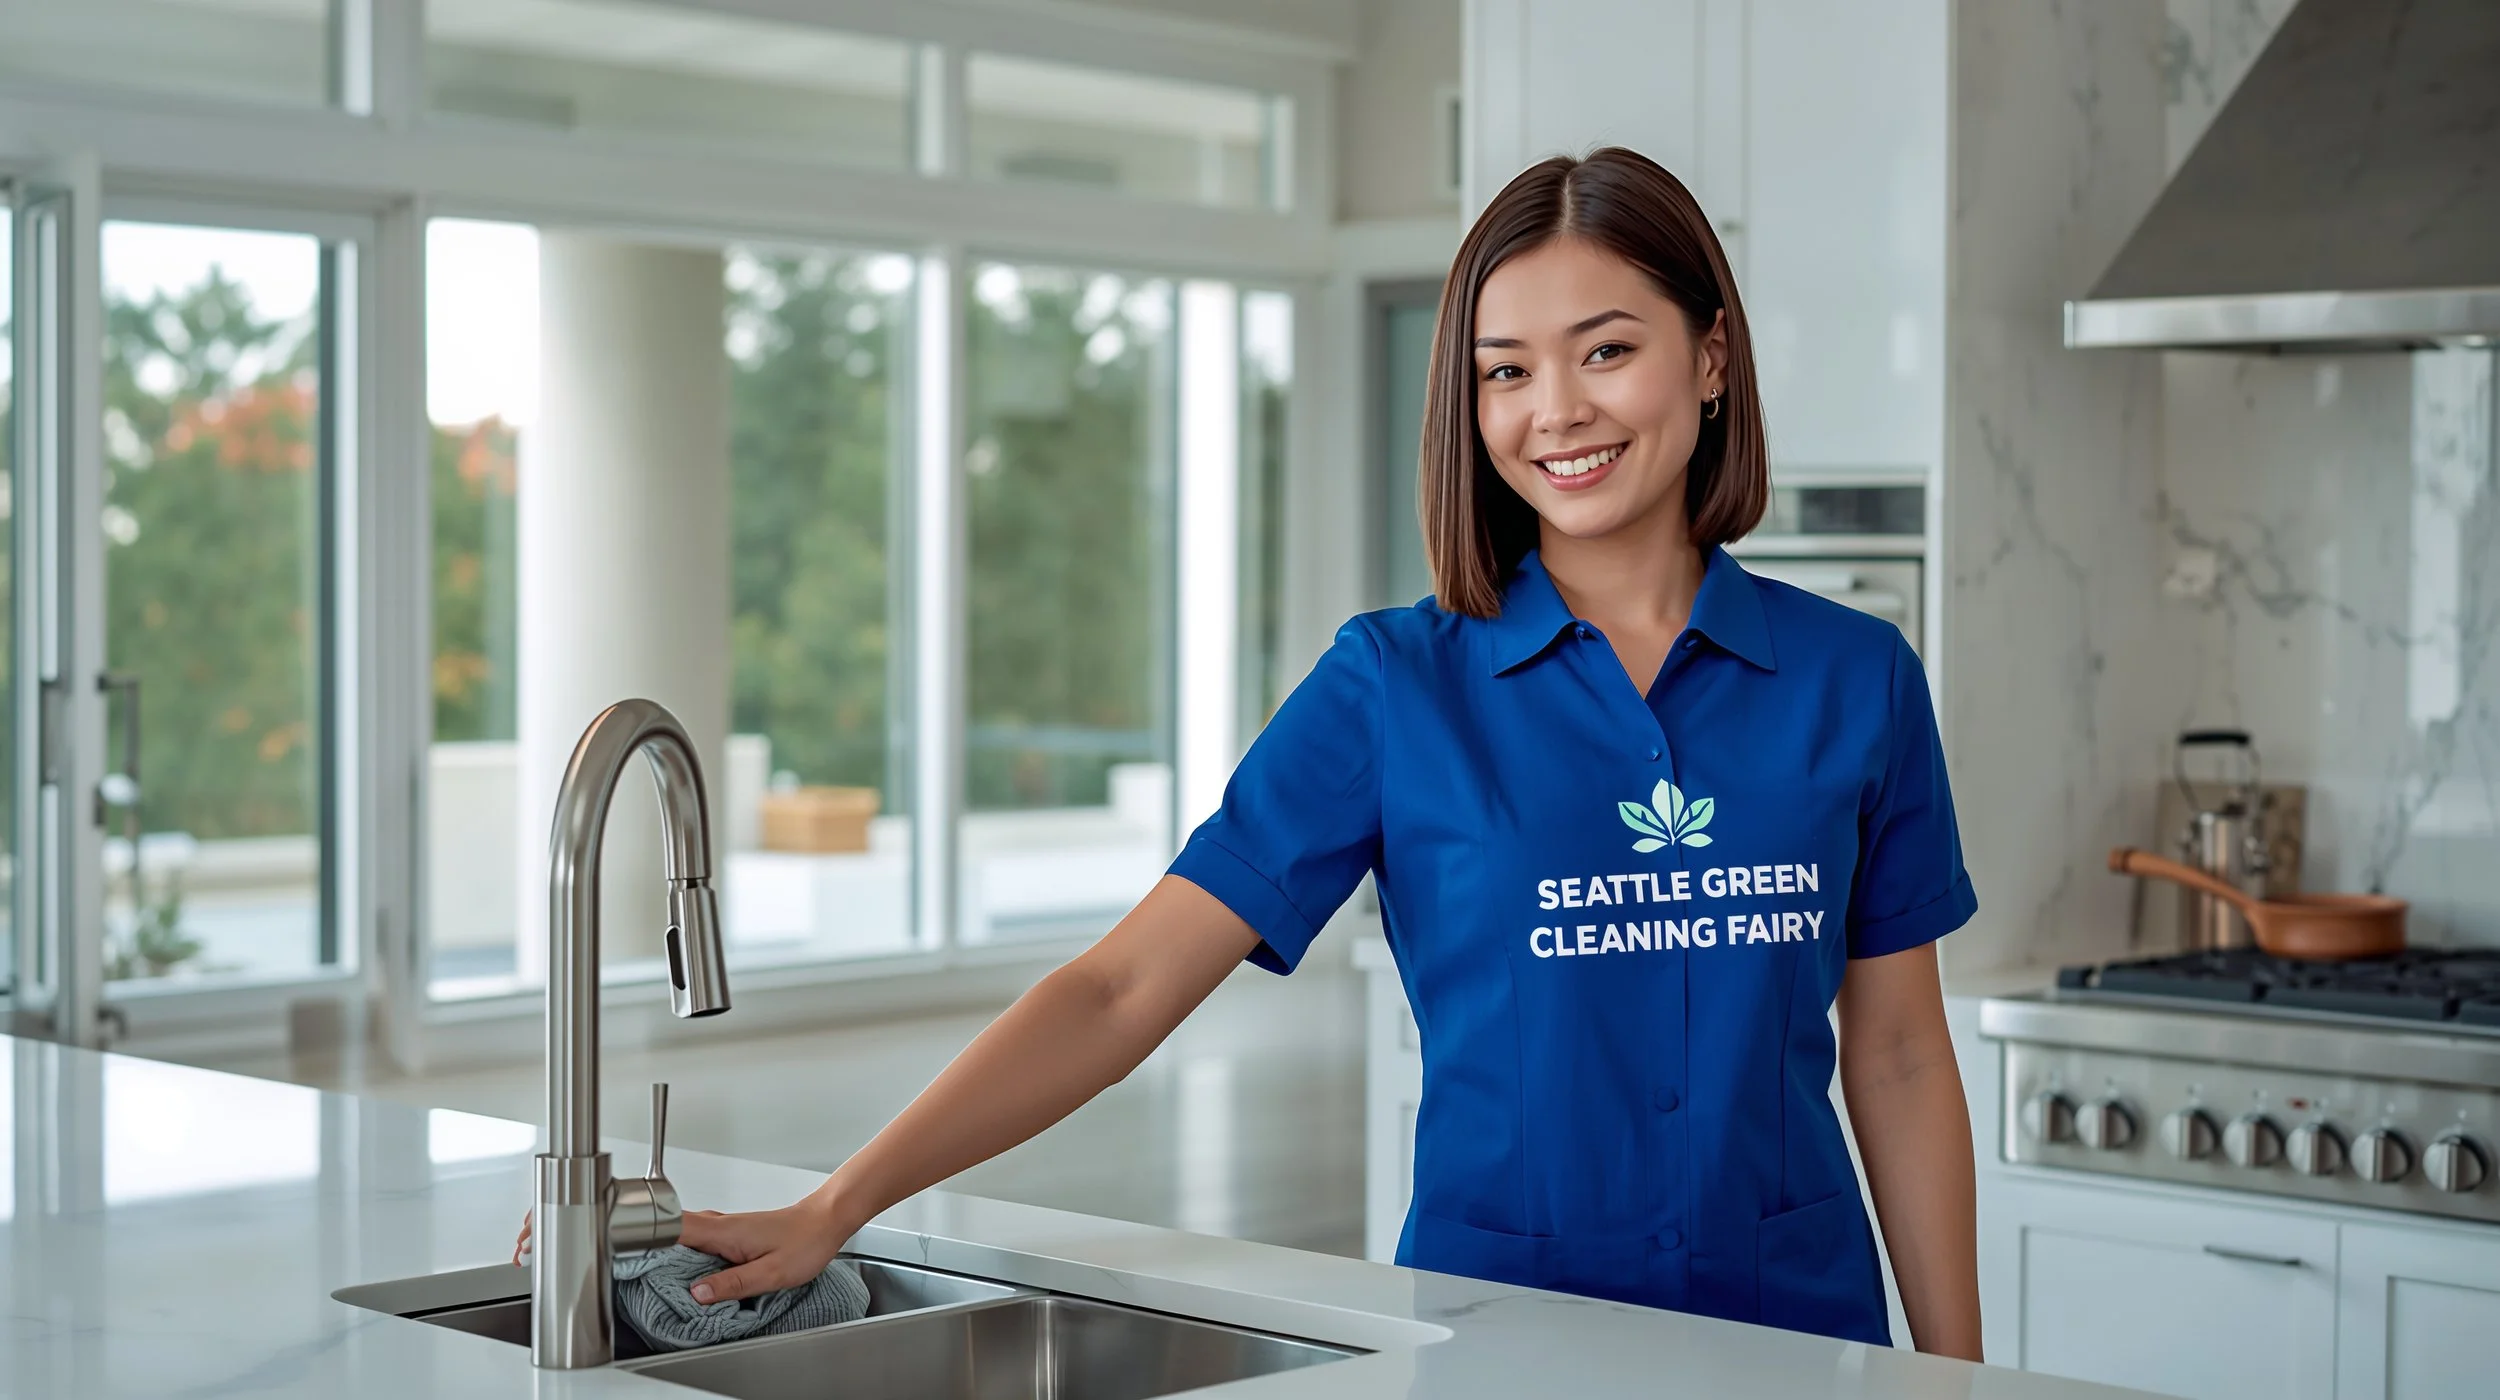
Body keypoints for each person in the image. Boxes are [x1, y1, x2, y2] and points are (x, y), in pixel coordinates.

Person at [519, 146, 1983, 1357]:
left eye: (1608, 350)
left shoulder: (1855, 678)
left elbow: (1903, 1056)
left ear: (1710, 357)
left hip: (1801, 1346)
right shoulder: (1395, 688)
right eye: (1504, 372)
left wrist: (1961, 1379)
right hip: (1508, 1340)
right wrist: (840, 1202)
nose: (1557, 413)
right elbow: (1120, 987)